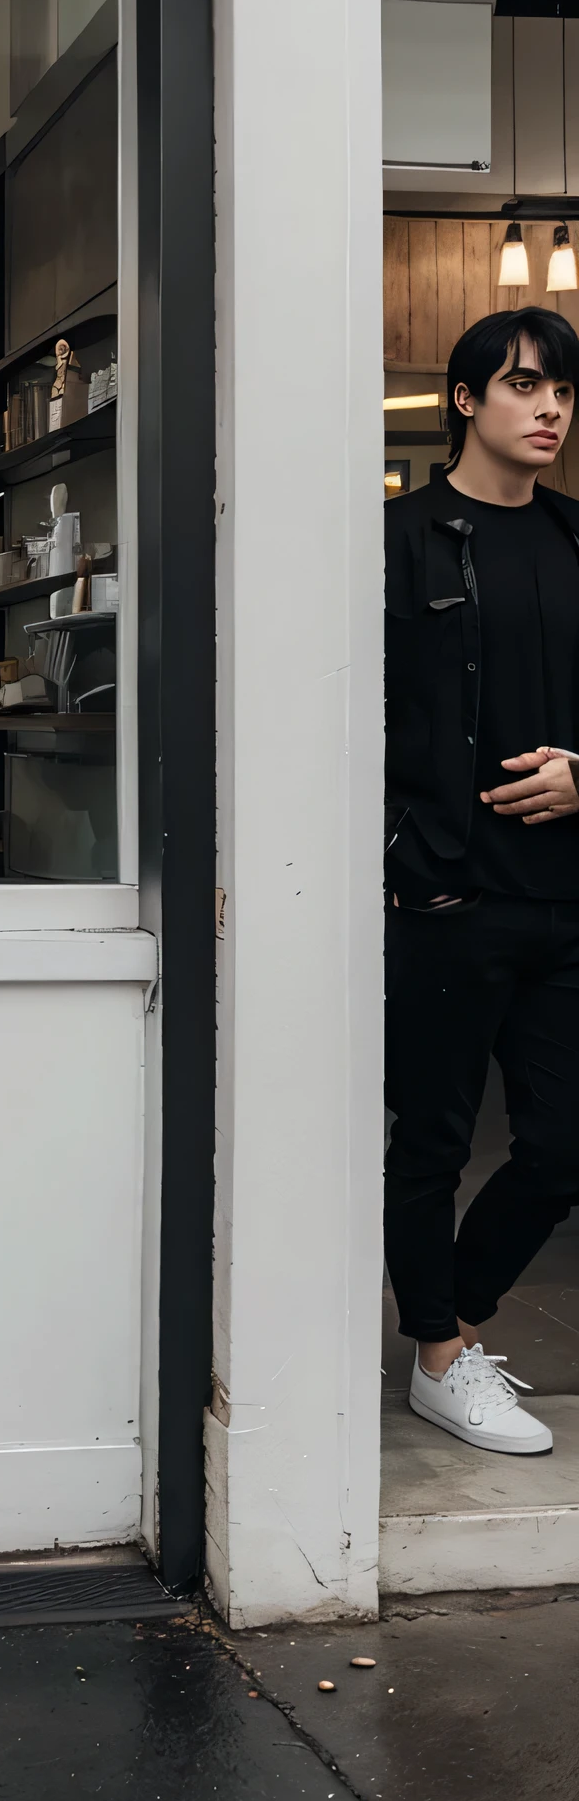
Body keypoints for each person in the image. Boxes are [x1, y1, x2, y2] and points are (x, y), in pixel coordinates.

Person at [385, 304, 579, 1457]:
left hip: (563, 896)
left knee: (560, 1142)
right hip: (449, 892)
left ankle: (445, 1322)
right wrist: (403, 856)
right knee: (430, 1142)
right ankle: (440, 1360)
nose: (548, 407)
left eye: (559, 390)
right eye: (521, 386)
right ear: (464, 400)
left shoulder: (574, 536)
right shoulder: (402, 539)